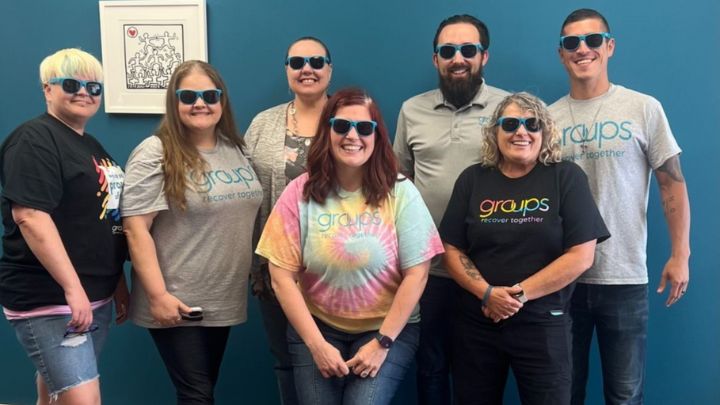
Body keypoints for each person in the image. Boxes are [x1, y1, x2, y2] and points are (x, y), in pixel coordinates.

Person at [256, 87, 444, 405]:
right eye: (341, 126)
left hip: (386, 329)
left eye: (364, 127)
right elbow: (281, 277)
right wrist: (316, 345)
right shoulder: (298, 193)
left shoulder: (401, 192)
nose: (352, 136)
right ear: (327, 132)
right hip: (317, 326)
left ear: (377, 135)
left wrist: (382, 342)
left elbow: (418, 274)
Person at [548, 9, 691, 405]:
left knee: (625, 395)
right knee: (563, 393)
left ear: (609, 47)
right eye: (571, 43)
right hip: (562, 280)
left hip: (624, 278)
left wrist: (681, 254)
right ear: (561, 54)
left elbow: (672, 183)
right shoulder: (545, 119)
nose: (582, 49)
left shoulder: (643, 108)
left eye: (593, 40)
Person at [440, 92, 610, 404]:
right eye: (510, 124)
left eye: (532, 124)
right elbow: (451, 248)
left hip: (544, 322)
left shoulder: (566, 177)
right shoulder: (473, 179)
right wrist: (488, 294)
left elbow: (581, 256)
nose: (521, 131)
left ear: (544, 132)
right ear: (495, 132)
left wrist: (516, 295)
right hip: (478, 321)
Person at [121, 60, 262, 405]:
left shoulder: (236, 149)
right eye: (189, 96)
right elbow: (135, 227)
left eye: (209, 95)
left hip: (222, 296)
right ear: (174, 101)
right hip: (177, 296)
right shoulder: (155, 152)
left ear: (222, 101)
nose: (200, 103)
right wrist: (157, 296)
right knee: (197, 395)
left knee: (201, 390)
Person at [392, 14, 509, 404]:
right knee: (432, 368)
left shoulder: (509, 111)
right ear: (436, 59)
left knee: (482, 372)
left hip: (489, 269)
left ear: (484, 56)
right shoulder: (412, 111)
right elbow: (398, 184)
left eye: (468, 50)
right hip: (430, 269)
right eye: (448, 51)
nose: (457, 58)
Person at [0, 48, 128, 405]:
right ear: (47, 89)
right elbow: (30, 216)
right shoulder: (34, 139)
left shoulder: (89, 144)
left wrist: (116, 281)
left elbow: (103, 217)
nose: (84, 92)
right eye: (71, 83)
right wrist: (73, 289)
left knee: (55, 395)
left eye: (94, 86)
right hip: (53, 298)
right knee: (81, 400)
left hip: (91, 294)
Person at [244, 36, 332, 405]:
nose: (306, 69)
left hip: (337, 266)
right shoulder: (264, 123)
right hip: (275, 265)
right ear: (287, 70)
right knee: (286, 360)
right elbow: (243, 185)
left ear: (329, 68)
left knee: (332, 356)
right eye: (297, 62)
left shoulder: (348, 117)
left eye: (315, 61)